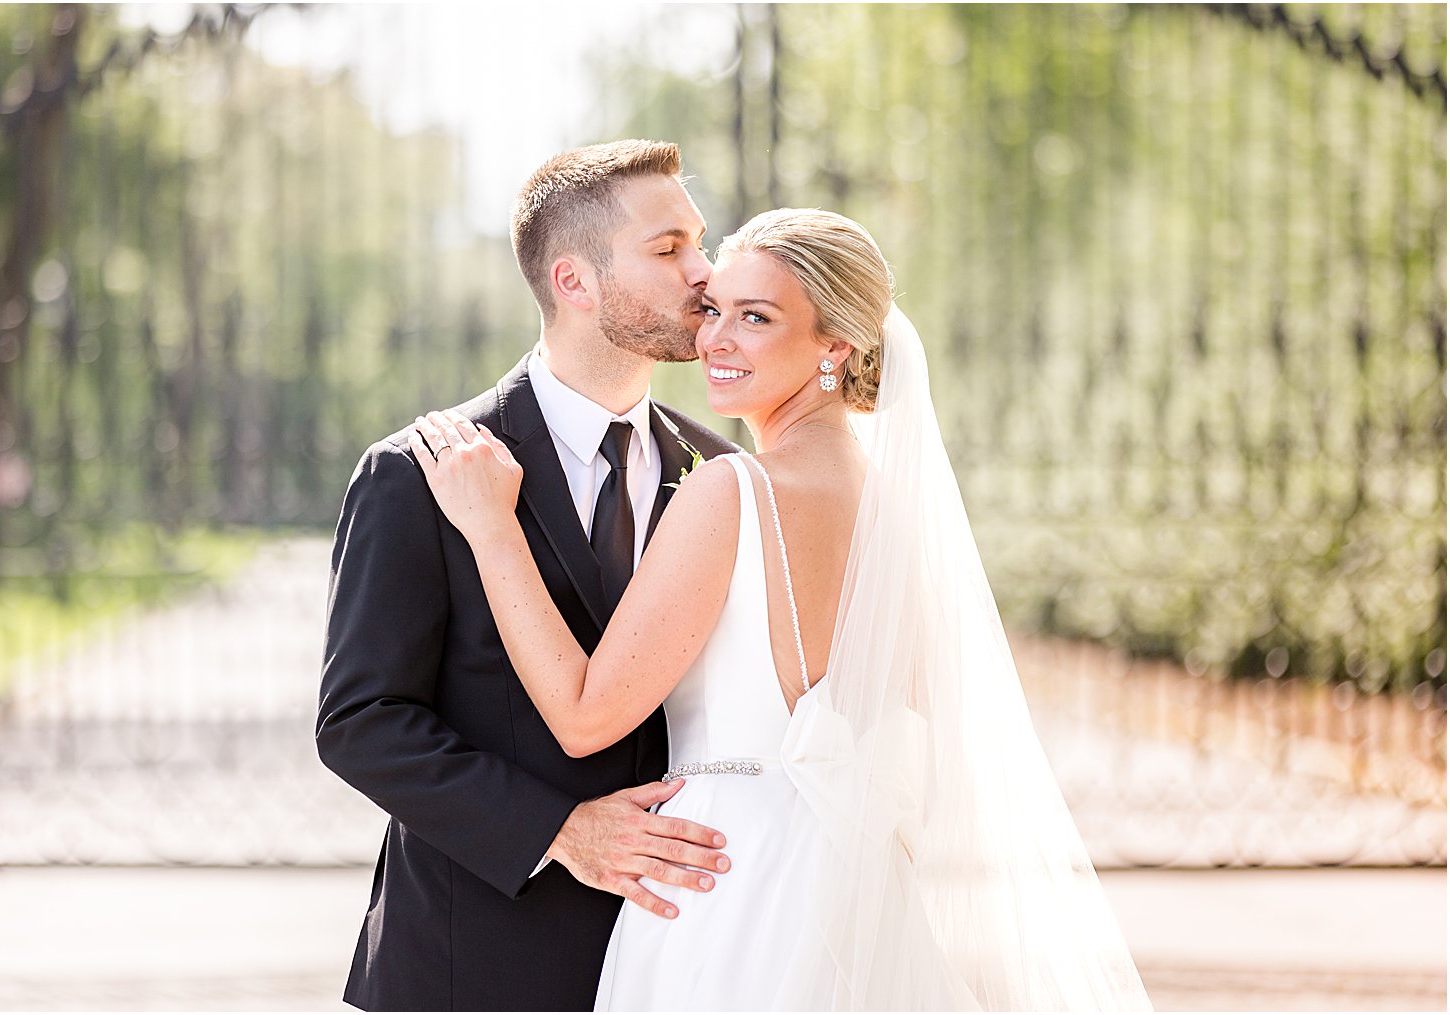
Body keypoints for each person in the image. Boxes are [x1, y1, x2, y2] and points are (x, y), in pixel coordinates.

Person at [411, 208, 1153, 1010]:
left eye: (756, 317)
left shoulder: (731, 490)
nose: (715, 339)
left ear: (836, 345)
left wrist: (491, 527)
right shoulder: (895, 509)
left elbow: (587, 716)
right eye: (715, 309)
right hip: (858, 885)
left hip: (725, 882)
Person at [315, 140, 741, 1011]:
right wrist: (560, 832)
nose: (706, 274)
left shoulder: (724, 472)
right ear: (573, 280)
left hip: (675, 951)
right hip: (471, 959)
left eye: (701, 242)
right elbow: (361, 722)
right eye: (668, 250)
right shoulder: (417, 473)